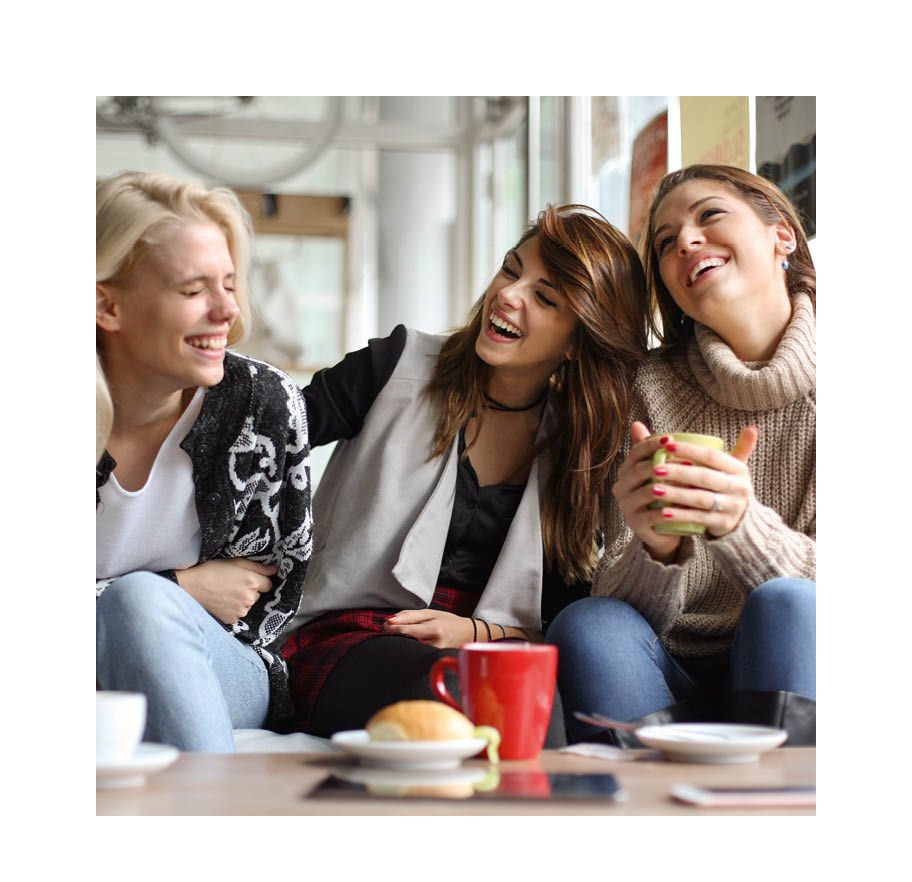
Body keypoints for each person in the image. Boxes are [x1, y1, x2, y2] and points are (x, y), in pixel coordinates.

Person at [274, 205, 649, 739]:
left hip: (494, 650)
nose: (509, 294)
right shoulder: (395, 366)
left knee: (551, 711)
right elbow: (266, 445)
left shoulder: (579, 446)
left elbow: (566, 607)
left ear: (575, 343)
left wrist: (476, 630)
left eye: (545, 298)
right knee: (460, 699)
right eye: (511, 269)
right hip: (349, 634)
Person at [546, 164, 816, 746]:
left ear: (782, 235)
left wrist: (742, 527)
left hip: (801, 676)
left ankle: (787, 815)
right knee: (589, 625)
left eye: (710, 216)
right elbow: (618, 604)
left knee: (789, 605)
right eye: (666, 242)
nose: (686, 241)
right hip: (661, 674)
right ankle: (653, 818)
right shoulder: (645, 391)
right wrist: (654, 547)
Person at [95, 171, 313, 751]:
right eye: (193, 291)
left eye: (229, 284)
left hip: (223, 666)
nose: (227, 312)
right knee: (139, 600)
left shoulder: (263, 404)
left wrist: (148, 601)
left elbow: (273, 598)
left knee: (139, 606)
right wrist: (179, 586)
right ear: (106, 304)